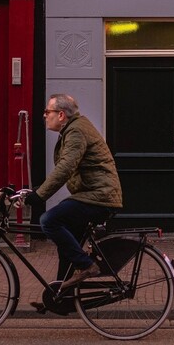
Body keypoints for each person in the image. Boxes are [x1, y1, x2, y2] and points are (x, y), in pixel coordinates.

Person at [25, 93, 123, 289]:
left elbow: (65, 167)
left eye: (47, 111)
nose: (45, 116)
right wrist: (36, 190)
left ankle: (88, 266)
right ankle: (60, 293)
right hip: (93, 194)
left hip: (100, 197)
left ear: (61, 115)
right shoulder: (74, 129)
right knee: (67, 248)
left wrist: (39, 195)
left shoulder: (76, 131)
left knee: (48, 220)